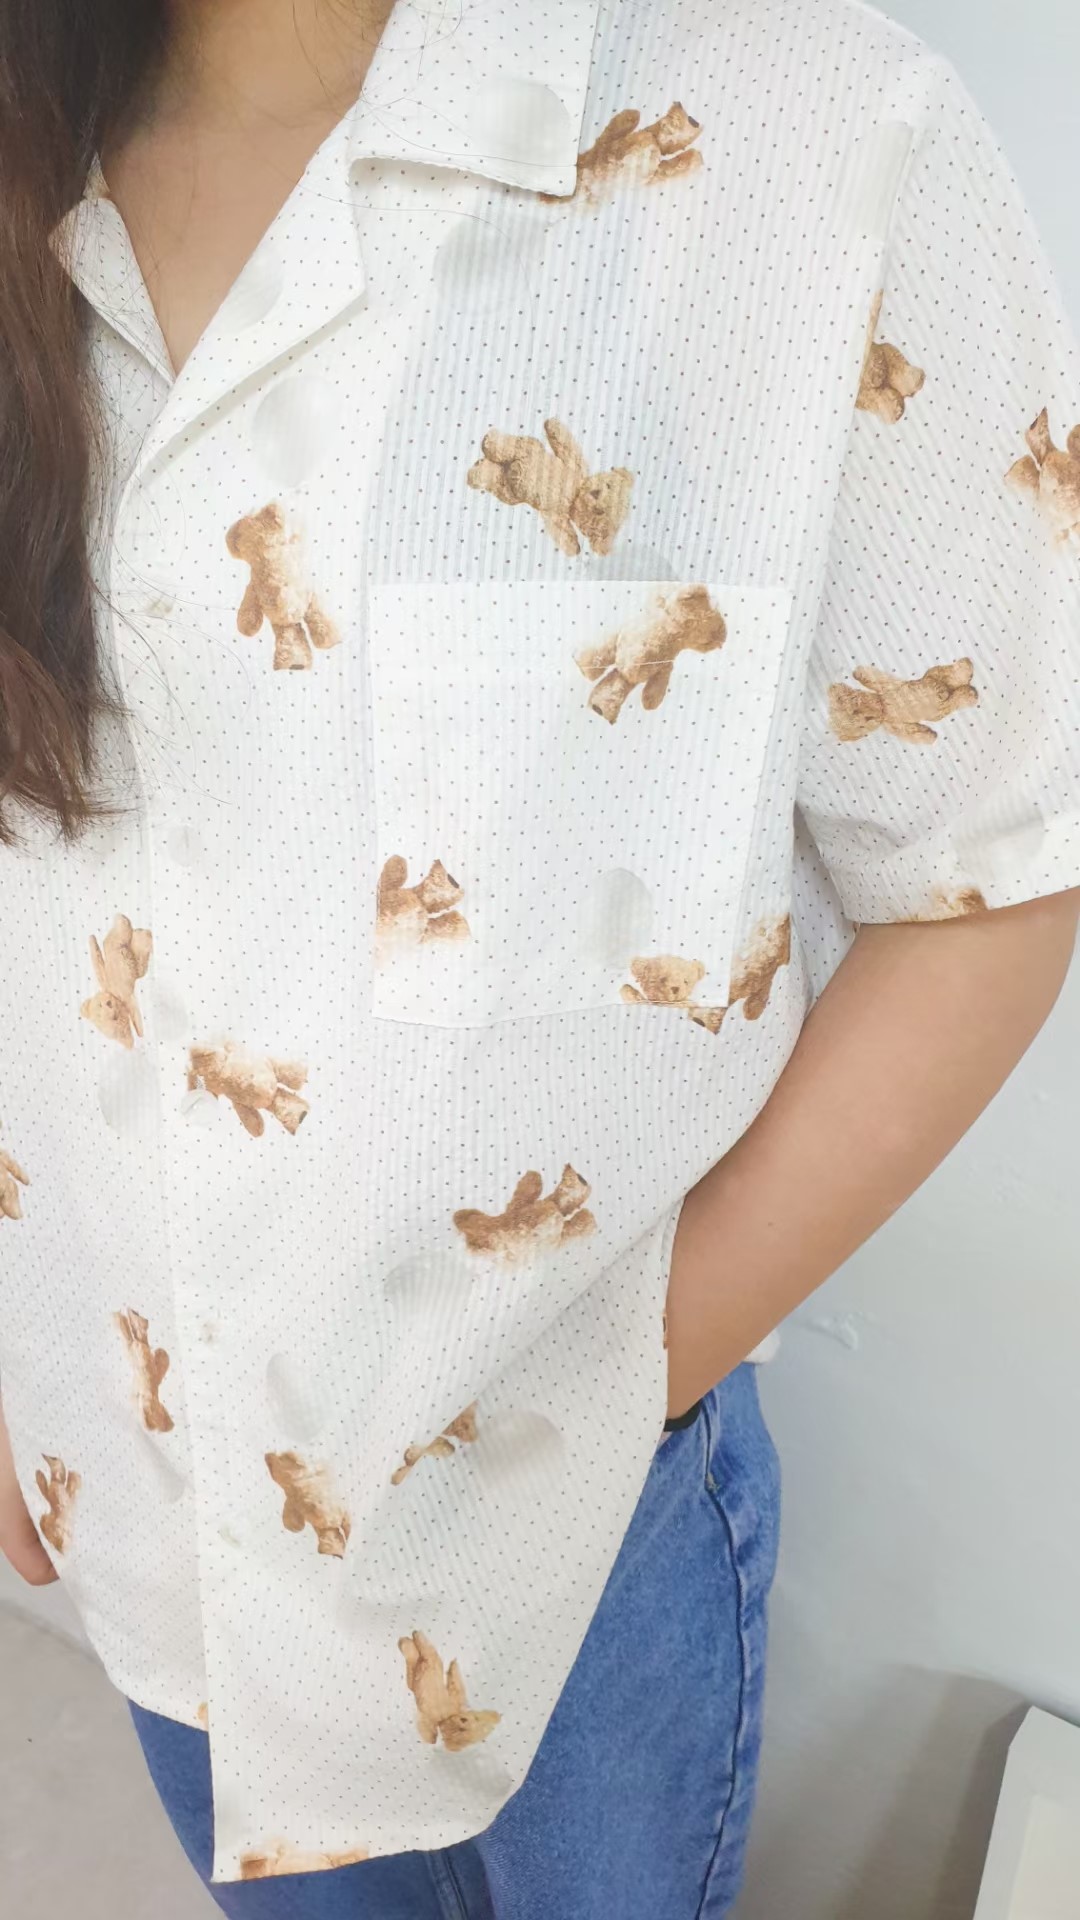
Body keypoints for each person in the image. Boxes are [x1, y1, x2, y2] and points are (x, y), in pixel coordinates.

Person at [1, 0, 1079, 1912]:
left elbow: (988, 868)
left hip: (576, 1544)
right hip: (149, 1509)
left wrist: (622, 1379)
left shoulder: (822, 148)